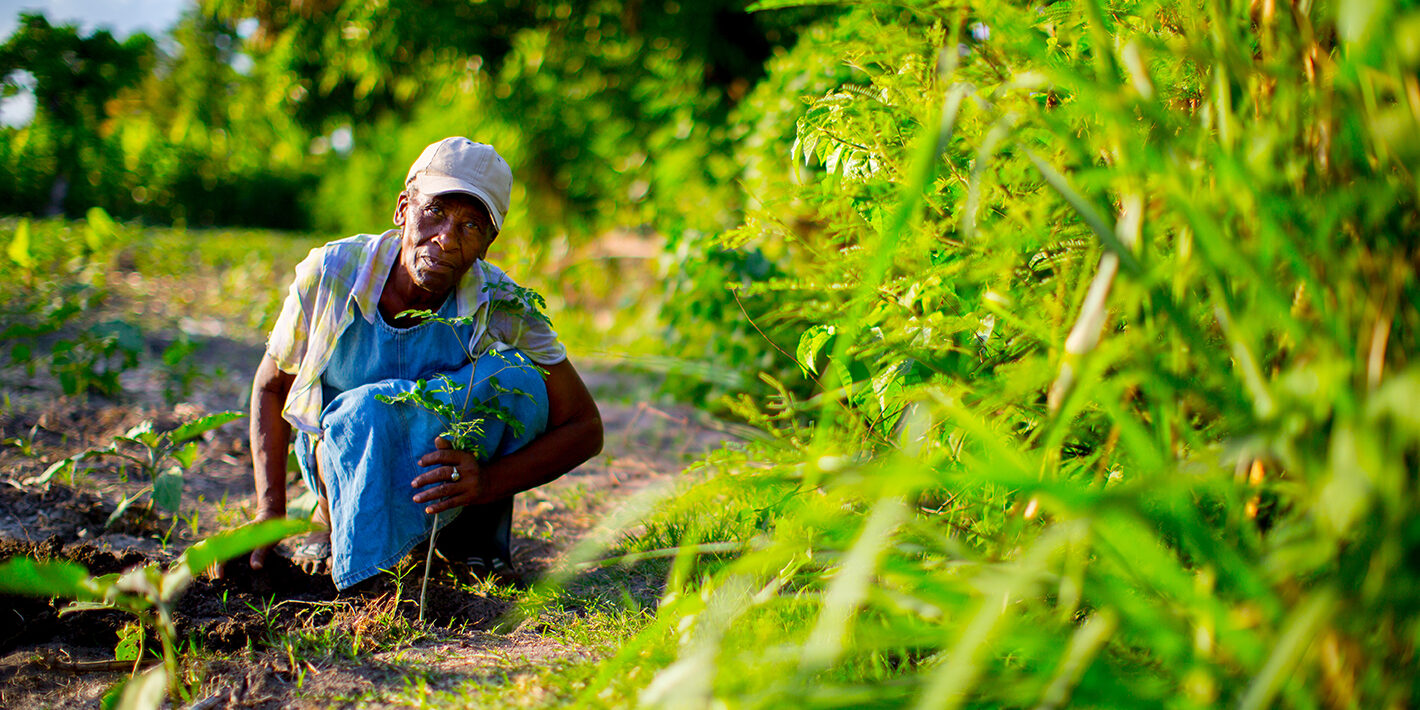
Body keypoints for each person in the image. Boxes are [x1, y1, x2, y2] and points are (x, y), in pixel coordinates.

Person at [244, 137, 602, 589]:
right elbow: (272, 386)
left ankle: (473, 530)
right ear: (402, 209)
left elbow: (585, 427)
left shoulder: (502, 303)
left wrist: (487, 483)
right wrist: (269, 512)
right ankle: (334, 519)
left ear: (488, 244)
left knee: (519, 381)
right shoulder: (333, 274)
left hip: (450, 483)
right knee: (365, 413)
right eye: (434, 212)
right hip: (341, 459)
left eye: (471, 226)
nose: (445, 240)